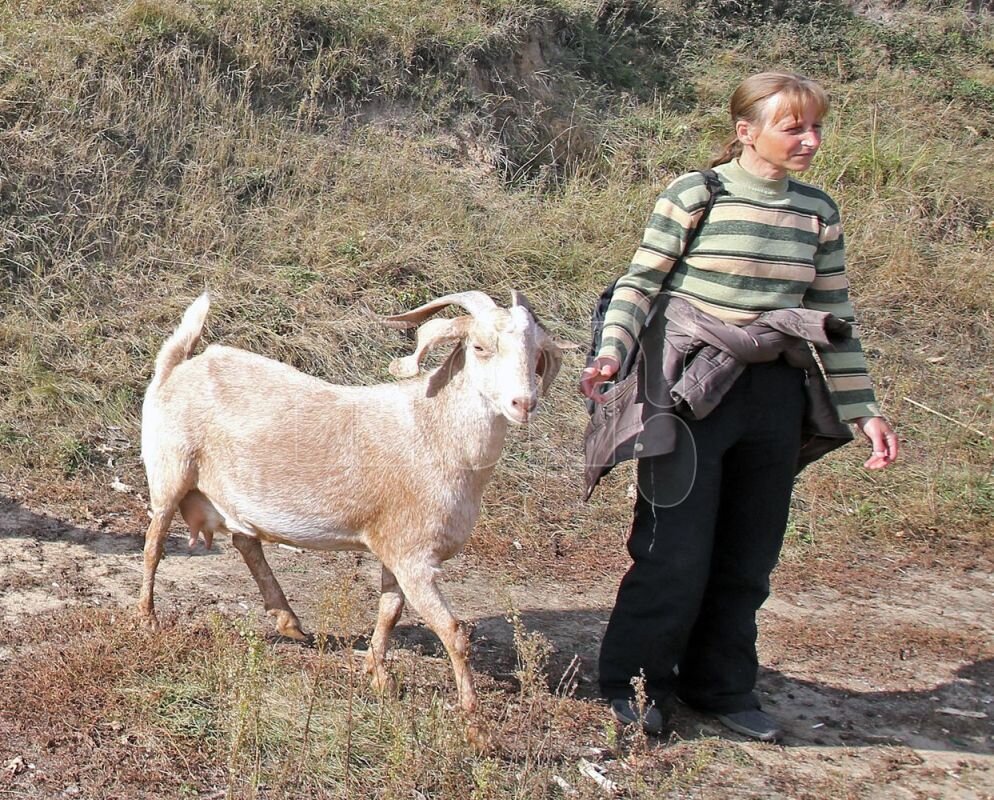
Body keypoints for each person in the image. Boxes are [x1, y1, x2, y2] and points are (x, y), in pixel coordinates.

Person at [579, 71, 898, 742]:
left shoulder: (818, 210)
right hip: (692, 392)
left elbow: (833, 312)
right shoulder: (698, 193)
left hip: (774, 394)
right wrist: (611, 352)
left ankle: (719, 687)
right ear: (746, 131)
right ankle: (633, 686)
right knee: (674, 552)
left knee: (748, 555)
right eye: (793, 128)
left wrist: (864, 408)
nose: (810, 141)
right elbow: (641, 282)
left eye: (815, 128)